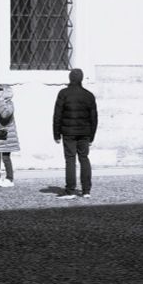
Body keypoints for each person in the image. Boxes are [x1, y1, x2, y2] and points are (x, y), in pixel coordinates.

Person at [53, 68, 98, 199]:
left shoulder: (63, 93)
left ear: (70, 78)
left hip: (68, 132)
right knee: (84, 159)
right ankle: (86, 190)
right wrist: (92, 136)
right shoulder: (89, 95)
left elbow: (57, 115)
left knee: (70, 160)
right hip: (85, 132)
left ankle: (70, 190)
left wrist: (56, 134)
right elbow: (94, 118)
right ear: (82, 79)